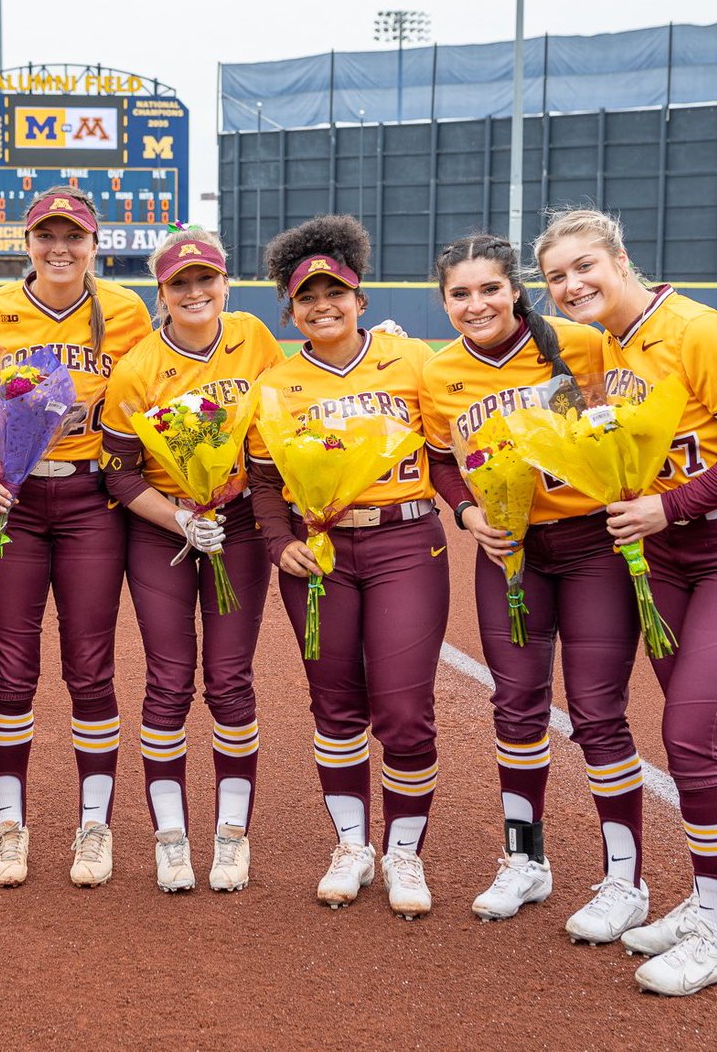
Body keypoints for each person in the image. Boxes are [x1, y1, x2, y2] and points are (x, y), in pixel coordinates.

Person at [535, 208, 717, 995]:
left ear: (620, 258)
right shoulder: (607, 347)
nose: (573, 284)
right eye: (556, 277)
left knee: (690, 737)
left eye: (585, 266)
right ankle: (715, 908)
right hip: (666, 560)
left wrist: (672, 508)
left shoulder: (696, 330)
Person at [419, 234, 646, 941]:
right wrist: (467, 513)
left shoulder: (582, 344)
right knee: (516, 705)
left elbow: (636, 418)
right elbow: (440, 462)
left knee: (598, 712)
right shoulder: (440, 372)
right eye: (460, 293)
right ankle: (526, 860)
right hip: (508, 555)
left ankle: (624, 881)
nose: (475, 303)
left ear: (515, 289)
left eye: (489, 288)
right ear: (444, 301)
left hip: (590, 548)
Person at [249, 215, 449, 917]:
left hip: (404, 543)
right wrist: (279, 545)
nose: (323, 305)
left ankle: (404, 853)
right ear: (291, 311)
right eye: (308, 298)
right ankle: (353, 845)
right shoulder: (276, 382)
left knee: (402, 707)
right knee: (334, 706)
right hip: (320, 553)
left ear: (361, 300)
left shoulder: (413, 360)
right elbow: (265, 483)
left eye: (336, 292)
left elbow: (456, 444)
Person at [0, 186, 151, 887]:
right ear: (28, 242)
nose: (60, 247)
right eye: (46, 235)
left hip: (88, 500)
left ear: (94, 243)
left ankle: (93, 826)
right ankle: (9, 826)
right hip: (11, 499)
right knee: (12, 669)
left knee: (90, 665)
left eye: (73, 235)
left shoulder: (126, 311)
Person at [100, 228, 284, 893]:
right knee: (170, 679)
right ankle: (170, 836)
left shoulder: (255, 340)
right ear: (162, 294)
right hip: (162, 528)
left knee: (230, 678)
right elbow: (118, 474)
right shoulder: (138, 367)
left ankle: (231, 835)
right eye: (181, 283)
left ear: (226, 283)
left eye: (206, 279)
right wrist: (179, 516)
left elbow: (280, 427)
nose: (196, 292)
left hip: (236, 521)